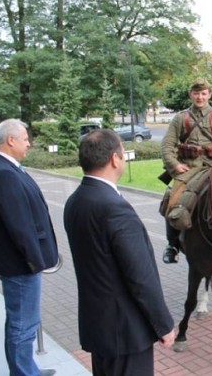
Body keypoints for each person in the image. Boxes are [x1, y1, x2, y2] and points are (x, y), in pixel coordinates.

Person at [64, 129, 175, 375]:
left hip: (99, 327)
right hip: (126, 333)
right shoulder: (115, 208)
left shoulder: (74, 201)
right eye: (123, 154)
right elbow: (140, 276)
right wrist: (163, 324)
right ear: (115, 159)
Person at [0, 119, 58, 376]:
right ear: (10, 140)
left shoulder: (6, 168)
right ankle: (24, 373)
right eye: (25, 138)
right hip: (20, 264)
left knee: (23, 323)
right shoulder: (2, 173)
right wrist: (35, 262)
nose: (29, 143)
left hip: (21, 262)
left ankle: (27, 368)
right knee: (22, 325)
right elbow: (19, 225)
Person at [160, 78, 212, 263]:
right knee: (173, 200)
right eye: (196, 93)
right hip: (188, 168)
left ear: (209, 94)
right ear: (190, 95)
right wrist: (174, 165)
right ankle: (173, 245)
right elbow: (166, 145)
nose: (200, 97)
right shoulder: (180, 118)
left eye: (203, 93)